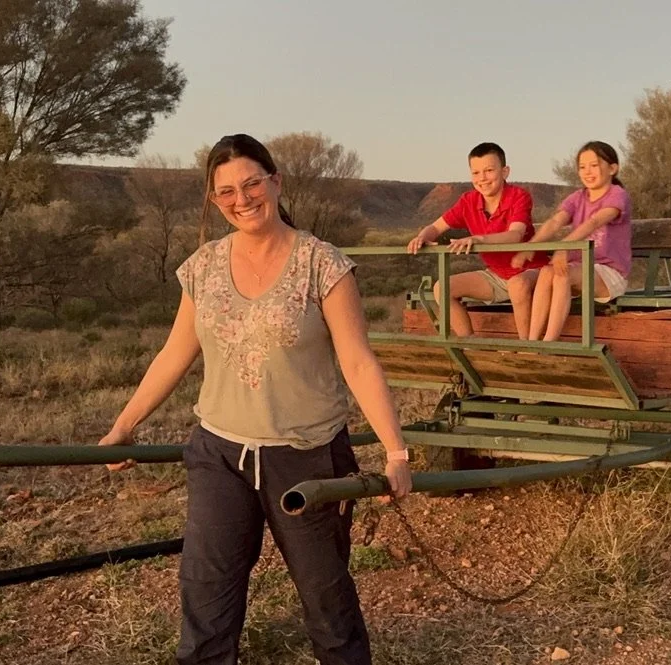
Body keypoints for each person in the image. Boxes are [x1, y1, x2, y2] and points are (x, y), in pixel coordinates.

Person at [98, 133, 411, 665]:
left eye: (251, 184)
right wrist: (124, 424)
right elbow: (175, 353)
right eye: (226, 192)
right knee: (207, 599)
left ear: (275, 182)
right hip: (219, 453)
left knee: (327, 602)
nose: (242, 199)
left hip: (307, 456)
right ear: (214, 201)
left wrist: (396, 452)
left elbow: (358, 362)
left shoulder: (322, 264)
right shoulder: (203, 267)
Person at [406, 142, 548, 339]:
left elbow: (515, 235)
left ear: (505, 171)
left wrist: (478, 239)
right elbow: (436, 227)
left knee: (518, 284)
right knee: (442, 287)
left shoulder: (519, 196)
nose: (482, 178)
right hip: (497, 275)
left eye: (489, 170)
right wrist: (422, 237)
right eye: (476, 173)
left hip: (532, 271)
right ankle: (470, 344)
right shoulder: (468, 201)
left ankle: (528, 348)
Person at [514, 141, 632, 341]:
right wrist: (530, 247)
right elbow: (554, 222)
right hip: (580, 268)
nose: (588, 171)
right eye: (582, 167)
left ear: (613, 168)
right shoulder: (577, 197)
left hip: (609, 272)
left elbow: (594, 222)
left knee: (562, 274)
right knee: (546, 271)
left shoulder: (617, 195)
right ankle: (531, 341)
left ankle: (549, 342)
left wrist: (564, 248)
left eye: (594, 165)